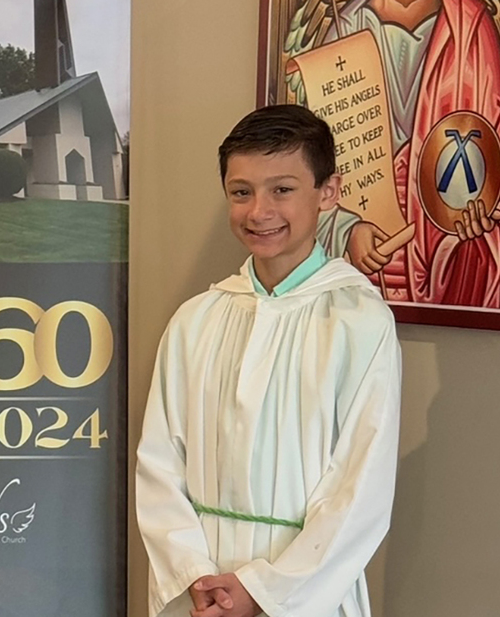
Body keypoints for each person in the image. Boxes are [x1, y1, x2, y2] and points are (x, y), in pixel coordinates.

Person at [135, 105, 401, 617]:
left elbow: (359, 489)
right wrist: (193, 573)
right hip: (198, 591)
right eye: (241, 192)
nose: (259, 211)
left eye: (282, 189)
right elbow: (160, 465)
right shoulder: (196, 320)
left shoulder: (358, 322)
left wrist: (262, 592)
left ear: (328, 192)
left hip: (304, 592)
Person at [307, 0, 500, 309]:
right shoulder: (346, 26)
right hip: (357, 280)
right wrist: (346, 229)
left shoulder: (470, 30)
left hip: (440, 258)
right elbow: (308, 175)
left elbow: (493, 169)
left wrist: (479, 220)